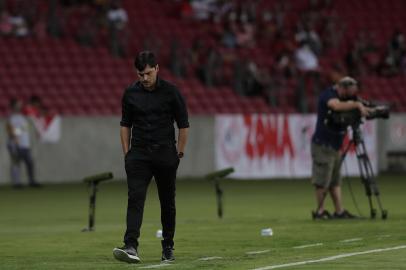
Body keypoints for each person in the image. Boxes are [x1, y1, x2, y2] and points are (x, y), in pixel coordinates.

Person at [113, 51, 189, 263]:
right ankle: (130, 246)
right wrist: (127, 154)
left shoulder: (172, 92)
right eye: (140, 75)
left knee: (167, 202)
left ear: (157, 69)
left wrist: (179, 154)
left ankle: (168, 248)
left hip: (165, 153)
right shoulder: (130, 94)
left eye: (147, 73)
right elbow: (125, 125)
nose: (144, 78)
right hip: (138, 155)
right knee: (135, 199)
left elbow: (183, 125)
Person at [311, 76, 371, 219]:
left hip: (336, 146)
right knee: (322, 180)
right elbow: (335, 106)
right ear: (343, 87)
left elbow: (353, 105)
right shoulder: (329, 95)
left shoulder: (348, 98)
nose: (352, 94)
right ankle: (320, 212)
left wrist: (369, 109)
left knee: (335, 181)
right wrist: (357, 105)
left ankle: (339, 211)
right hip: (323, 144)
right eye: (350, 91)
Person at [6, 98, 41, 188]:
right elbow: (11, 131)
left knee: (30, 163)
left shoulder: (23, 117)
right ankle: (16, 183)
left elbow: (24, 130)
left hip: (25, 144)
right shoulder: (11, 118)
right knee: (16, 163)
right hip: (16, 144)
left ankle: (31, 181)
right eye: (18, 104)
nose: (20, 106)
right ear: (13, 106)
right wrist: (16, 138)